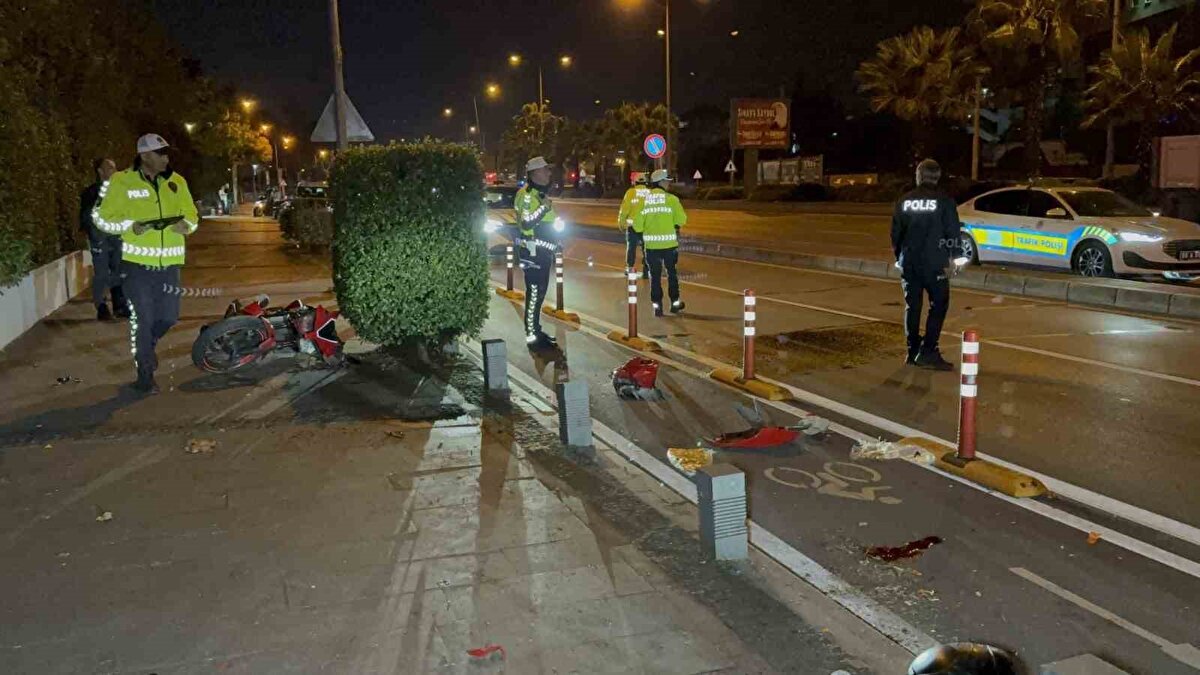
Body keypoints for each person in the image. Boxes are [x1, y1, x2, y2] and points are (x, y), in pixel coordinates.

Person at [92, 134, 199, 393]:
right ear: (145, 156)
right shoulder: (122, 182)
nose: (166, 158)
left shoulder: (177, 182)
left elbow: (192, 215)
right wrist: (130, 225)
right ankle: (145, 373)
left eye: (166, 153)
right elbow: (101, 219)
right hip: (136, 266)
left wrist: (188, 226)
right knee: (143, 318)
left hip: (169, 266)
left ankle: (146, 349)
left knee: (168, 318)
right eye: (161, 153)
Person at [891, 158, 967, 371]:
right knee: (939, 304)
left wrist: (899, 257)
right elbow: (952, 232)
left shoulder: (904, 201)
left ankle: (912, 351)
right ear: (937, 177)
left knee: (912, 307)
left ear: (919, 176)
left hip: (910, 263)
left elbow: (896, 234)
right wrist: (957, 258)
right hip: (935, 265)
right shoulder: (944, 201)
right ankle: (928, 351)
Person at [514, 156, 566, 350]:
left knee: (539, 293)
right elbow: (526, 223)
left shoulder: (539, 194)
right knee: (535, 293)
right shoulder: (527, 195)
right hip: (533, 253)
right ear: (535, 173)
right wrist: (544, 209)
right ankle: (532, 336)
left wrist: (556, 243)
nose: (549, 173)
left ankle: (535, 330)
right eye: (545, 170)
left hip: (542, 252)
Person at [632, 169, 687, 317]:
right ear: (661, 182)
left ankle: (657, 307)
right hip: (670, 246)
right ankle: (675, 304)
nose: (669, 183)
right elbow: (682, 220)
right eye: (667, 181)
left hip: (651, 247)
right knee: (672, 274)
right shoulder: (672, 200)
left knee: (654, 277)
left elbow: (637, 225)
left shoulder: (644, 202)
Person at [80, 158, 129, 321]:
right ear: (100, 171)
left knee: (119, 270)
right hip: (100, 239)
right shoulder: (91, 192)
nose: (113, 171)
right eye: (109, 168)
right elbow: (86, 216)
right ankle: (101, 306)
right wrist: (95, 235)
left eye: (114, 167)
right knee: (101, 273)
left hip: (117, 237)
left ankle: (119, 305)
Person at [617, 173, 651, 279]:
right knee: (647, 249)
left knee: (631, 248)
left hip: (633, 227)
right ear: (645, 182)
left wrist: (621, 224)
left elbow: (624, 211)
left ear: (634, 182)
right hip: (647, 227)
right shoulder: (650, 193)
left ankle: (630, 268)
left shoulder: (630, 193)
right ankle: (647, 270)